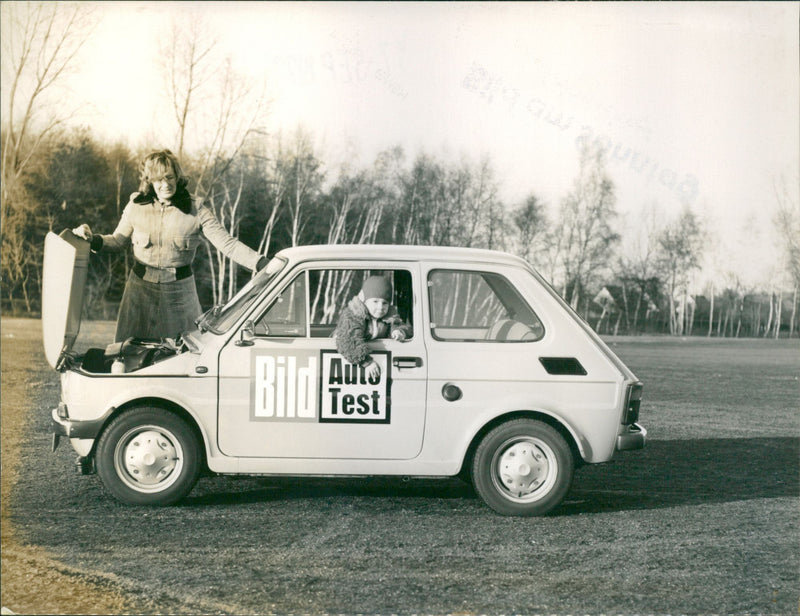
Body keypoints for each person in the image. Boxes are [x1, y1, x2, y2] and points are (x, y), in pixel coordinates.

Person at [73, 149, 266, 342]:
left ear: (177, 177)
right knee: (127, 353)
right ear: (149, 181)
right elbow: (117, 241)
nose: (165, 184)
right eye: (159, 180)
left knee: (187, 355)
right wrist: (92, 238)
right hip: (139, 291)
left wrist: (262, 263)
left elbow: (228, 245)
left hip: (180, 294)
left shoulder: (196, 209)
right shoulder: (135, 206)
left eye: (170, 177)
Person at [334, 275, 413, 380]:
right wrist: (367, 362)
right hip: (348, 362)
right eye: (375, 301)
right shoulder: (353, 314)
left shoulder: (389, 315)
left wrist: (399, 331)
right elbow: (349, 341)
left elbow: (401, 325)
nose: (380, 307)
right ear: (364, 300)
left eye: (384, 303)